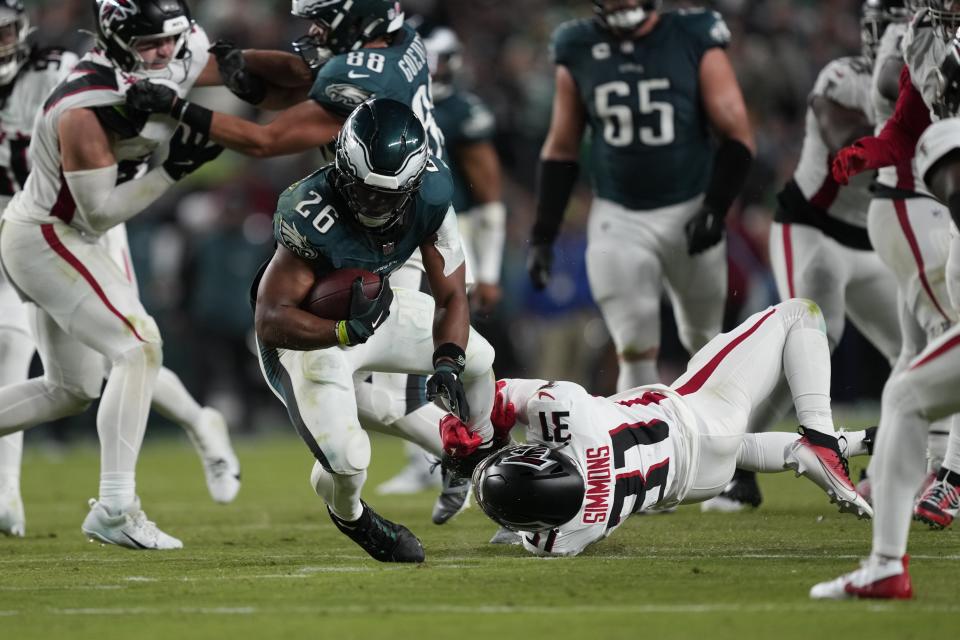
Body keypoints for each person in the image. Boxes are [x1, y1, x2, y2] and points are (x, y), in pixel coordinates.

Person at [126, 0, 474, 524]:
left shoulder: (361, 74)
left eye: (325, 16)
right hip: (397, 212)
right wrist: (241, 66)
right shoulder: (402, 46)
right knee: (361, 389)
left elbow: (268, 139)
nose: (313, 28)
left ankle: (469, 452)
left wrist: (181, 108)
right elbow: (306, 76)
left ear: (359, 19)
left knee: (356, 376)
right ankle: (459, 451)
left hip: (386, 225)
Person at [0, 0, 240, 539]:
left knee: (73, 386)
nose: (164, 54)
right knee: (137, 345)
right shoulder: (83, 98)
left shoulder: (161, 51)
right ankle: (114, 507)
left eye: (168, 41)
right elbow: (98, 209)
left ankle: (194, 433)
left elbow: (212, 61)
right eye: (149, 44)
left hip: (66, 227)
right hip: (55, 227)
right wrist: (172, 169)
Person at [253, 97, 497, 563]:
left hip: (373, 309)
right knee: (348, 461)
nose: (371, 204)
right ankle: (353, 518)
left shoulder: (431, 193)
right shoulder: (309, 210)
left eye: (387, 196)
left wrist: (447, 362)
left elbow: (452, 297)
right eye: (362, 190)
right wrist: (342, 331)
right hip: (309, 335)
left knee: (478, 360)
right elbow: (270, 319)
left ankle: (479, 456)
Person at [468, 298, 872, 557]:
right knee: (800, 314)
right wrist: (482, 435)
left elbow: (527, 522)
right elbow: (500, 395)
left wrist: (514, 507)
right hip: (698, 413)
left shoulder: (565, 538)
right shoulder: (564, 410)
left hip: (697, 482)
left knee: (739, 448)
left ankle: (839, 445)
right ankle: (820, 436)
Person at [705, 0, 904, 512]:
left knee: (913, 349)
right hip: (811, 231)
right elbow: (851, 149)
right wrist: (916, 118)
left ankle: (890, 473)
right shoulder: (843, 77)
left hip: (870, 241)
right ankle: (738, 467)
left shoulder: (930, 93)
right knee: (812, 336)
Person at [526, 0, 754, 393]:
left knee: (706, 340)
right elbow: (562, 148)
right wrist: (544, 233)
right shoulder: (578, 45)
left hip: (689, 206)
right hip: (619, 214)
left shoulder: (691, 35)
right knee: (633, 344)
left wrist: (716, 206)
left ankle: (721, 440)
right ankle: (648, 445)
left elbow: (737, 134)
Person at [812, 3, 960, 598]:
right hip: (946, 225)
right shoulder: (926, 34)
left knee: (909, 386)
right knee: (910, 380)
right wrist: (869, 152)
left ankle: (945, 480)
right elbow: (907, 124)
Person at [376, 26, 507, 501]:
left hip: (447, 234)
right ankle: (440, 459)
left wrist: (488, 269)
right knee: (407, 359)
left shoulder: (461, 111)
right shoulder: (391, 96)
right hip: (406, 235)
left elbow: (489, 195)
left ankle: (483, 452)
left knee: (464, 353)